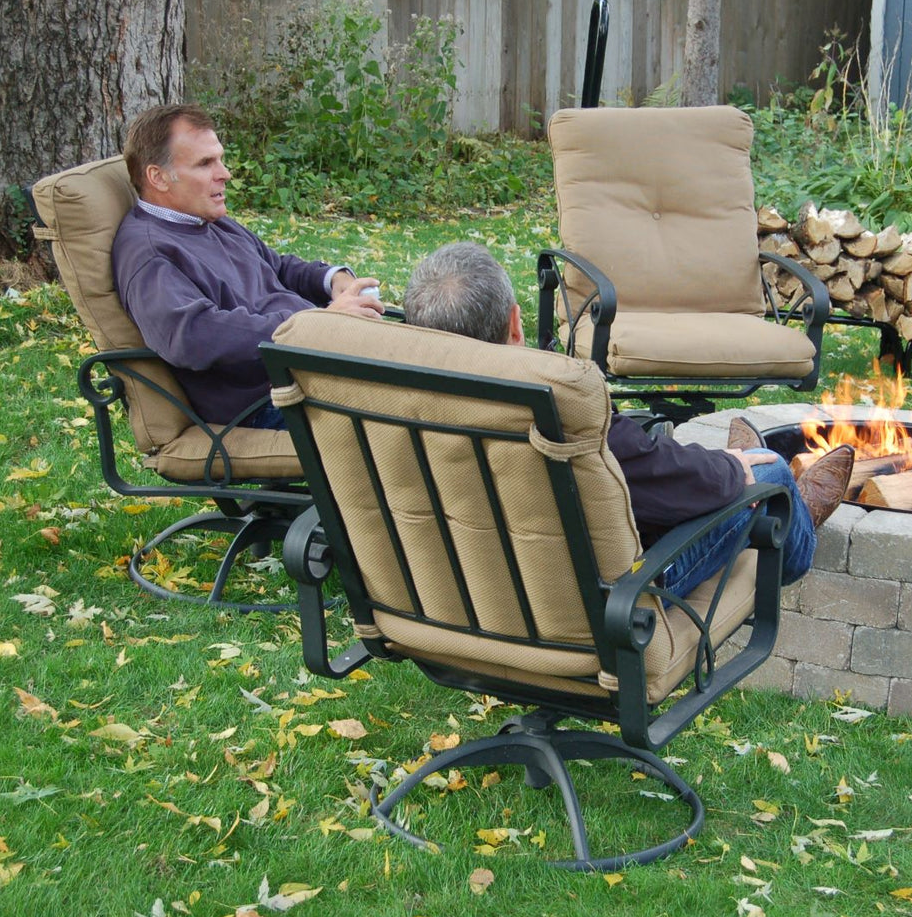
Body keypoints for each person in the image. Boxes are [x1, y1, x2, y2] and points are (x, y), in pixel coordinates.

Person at [401, 241, 854, 595]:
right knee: (768, 471)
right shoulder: (559, 403)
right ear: (516, 324)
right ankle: (800, 523)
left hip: (464, 592)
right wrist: (733, 467)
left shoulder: (387, 404)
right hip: (607, 607)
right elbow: (653, 476)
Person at [111, 103, 384, 429]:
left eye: (220, 159)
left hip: (312, 367)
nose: (224, 173)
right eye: (205, 163)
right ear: (158, 177)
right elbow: (192, 336)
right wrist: (313, 326)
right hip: (271, 401)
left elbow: (278, 268)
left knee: (439, 367)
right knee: (427, 407)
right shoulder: (150, 252)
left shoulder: (207, 220)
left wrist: (332, 280)